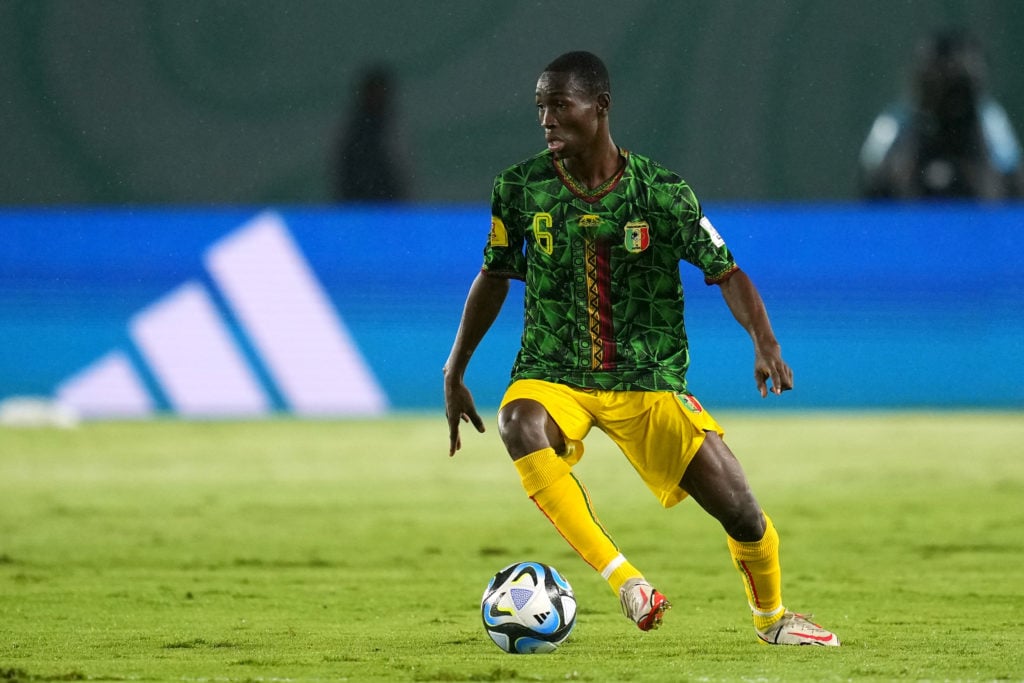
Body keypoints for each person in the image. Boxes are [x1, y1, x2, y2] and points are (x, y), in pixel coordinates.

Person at [443, 51, 839, 646]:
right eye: (540, 107)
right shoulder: (519, 188)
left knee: (743, 514)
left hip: (647, 378)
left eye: (559, 105)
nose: (546, 119)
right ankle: (625, 580)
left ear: (600, 107)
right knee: (517, 420)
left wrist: (765, 342)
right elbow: (495, 275)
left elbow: (726, 270)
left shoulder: (662, 192)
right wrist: (456, 368)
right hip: (554, 371)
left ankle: (773, 620)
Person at [859, 28, 1023, 199]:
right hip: (910, 218)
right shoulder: (897, 118)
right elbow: (872, 175)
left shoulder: (989, 118)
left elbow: (1012, 176)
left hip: (975, 219)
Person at [330, 65, 410, 202]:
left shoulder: (393, 125)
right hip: (357, 202)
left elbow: (402, 171)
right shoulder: (351, 128)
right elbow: (341, 170)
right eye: (374, 92)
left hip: (390, 203)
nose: (377, 97)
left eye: (380, 92)